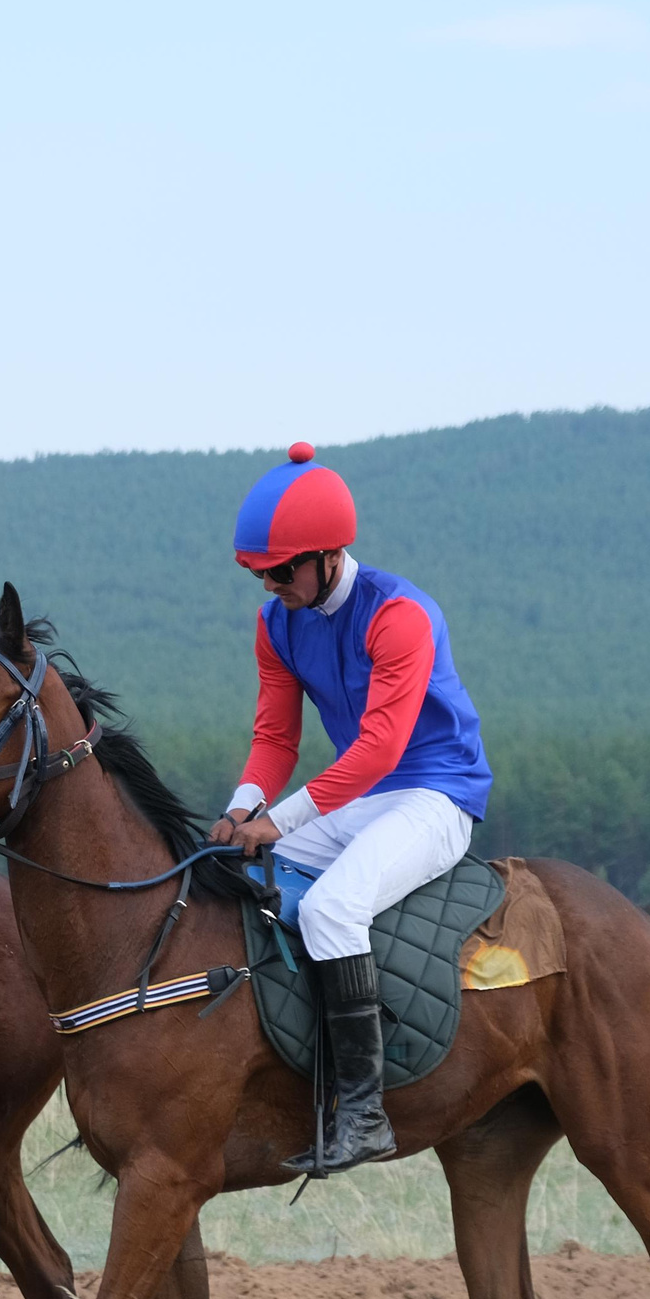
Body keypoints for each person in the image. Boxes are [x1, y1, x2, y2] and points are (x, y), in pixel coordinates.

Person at [206, 442, 492, 1176]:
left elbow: (379, 748)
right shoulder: (278, 625)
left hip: (435, 792)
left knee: (332, 910)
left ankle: (363, 1115)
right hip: (363, 798)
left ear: (330, 555)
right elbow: (274, 736)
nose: (271, 585)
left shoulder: (399, 616)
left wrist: (280, 819)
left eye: (283, 569)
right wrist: (243, 810)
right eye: (260, 573)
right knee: (247, 870)